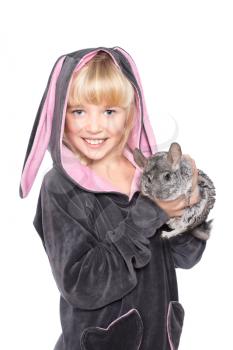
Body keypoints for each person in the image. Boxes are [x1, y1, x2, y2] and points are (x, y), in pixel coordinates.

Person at [19, 46, 206, 350]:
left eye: (109, 111)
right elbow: (81, 285)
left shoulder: (147, 174)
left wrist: (188, 208)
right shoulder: (61, 188)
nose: (94, 126)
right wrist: (149, 213)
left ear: (130, 113)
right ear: (60, 115)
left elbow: (186, 257)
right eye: (78, 111)